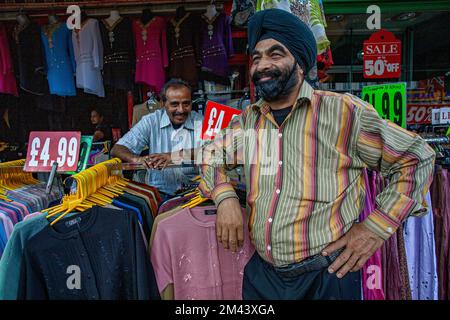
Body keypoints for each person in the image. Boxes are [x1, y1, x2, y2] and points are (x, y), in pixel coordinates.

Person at [199, 9, 436, 300]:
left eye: (275, 54)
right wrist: (225, 197)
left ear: (300, 64)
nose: (262, 65)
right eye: (257, 57)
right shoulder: (249, 119)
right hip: (263, 277)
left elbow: (417, 157)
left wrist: (374, 229)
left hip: (326, 278)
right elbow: (211, 153)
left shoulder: (344, 113)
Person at [111, 78, 204, 197]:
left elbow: (214, 151)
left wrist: (172, 156)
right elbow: (118, 148)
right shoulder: (151, 121)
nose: (181, 110)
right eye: (174, 104)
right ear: (162, 104)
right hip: (160, 194)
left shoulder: (200, 121)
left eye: (186, 103)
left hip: (195, 194)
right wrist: (137, 160)